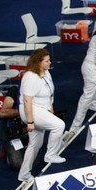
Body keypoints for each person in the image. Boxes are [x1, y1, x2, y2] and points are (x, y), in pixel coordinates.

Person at [18, 49, 66, 182]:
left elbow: (50, 92)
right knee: (59, 125)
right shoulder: (31, 77)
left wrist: (50, 108)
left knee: (35, 144)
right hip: (31, 111)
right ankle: (50, 155)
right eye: (47, 61)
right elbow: (27, 101)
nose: (50, 62)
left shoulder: (46, 73)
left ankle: (24, 174)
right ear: (38, 62)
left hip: (42, 110)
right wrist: (30, 121)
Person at [0, 86, 27, 170]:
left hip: (30, 131)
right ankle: (4, 149)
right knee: (17, 165)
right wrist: (25, 111)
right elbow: (3, 113)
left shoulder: (40, 91)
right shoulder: (15, 91)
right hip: (12, 134)